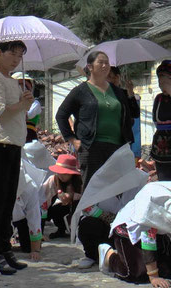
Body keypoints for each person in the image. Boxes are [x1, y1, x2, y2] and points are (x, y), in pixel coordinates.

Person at [0, 40, 34, 275]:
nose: (16, 59)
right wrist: (21, 104)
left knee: (9, 198)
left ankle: (4, 248)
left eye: (20, 55)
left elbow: (16, 111)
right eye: (12, 53)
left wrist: (24, 103)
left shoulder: (11, 80)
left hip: (12, 143)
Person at [98, 181, 171, 288]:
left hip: (158, 232)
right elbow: (147, 237)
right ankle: (109, 256)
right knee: (136, 274)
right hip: (128, 227)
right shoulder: (155, 201)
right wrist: (153, 276)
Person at [55, 51, 140, 191]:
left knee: (116, 188)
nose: (105, 65)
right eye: (100, 62)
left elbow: (134, 113)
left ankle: (113, 213)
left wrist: (130, 93)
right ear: (89, 67)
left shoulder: (117, 92)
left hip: (117, 146)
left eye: (107, 62)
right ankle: (89, 213)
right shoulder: (80, 91)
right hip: (90, 147)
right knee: (92, 188)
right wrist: (72, 139)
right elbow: (61, 115)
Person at [41, 154, 82, 239]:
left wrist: (72, 197)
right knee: (55, 210)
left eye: (65, 174)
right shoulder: (53, 180)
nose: (61, 176)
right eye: (59, 173)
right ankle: (61, 229)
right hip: (60, 206)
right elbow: (44, 198)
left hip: (76, 207)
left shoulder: (79, 182)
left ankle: (77, 230)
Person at [11, 72, 41, 143]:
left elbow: (27, 116)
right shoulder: (10, 103)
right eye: (19, 85)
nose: (21, 88)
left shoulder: (35, 103)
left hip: (28, 138)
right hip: (13, 137)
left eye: (24, 85)